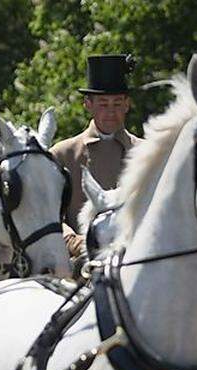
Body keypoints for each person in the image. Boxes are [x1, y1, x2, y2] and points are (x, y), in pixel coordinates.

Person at [51, 54, 142, 258]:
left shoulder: (146, 153)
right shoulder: (63, 154)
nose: (111, 111)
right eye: (103, 104)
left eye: (117, 103)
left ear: (127, 104)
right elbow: (47, 213)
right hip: (78, 265)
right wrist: (74, 242)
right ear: (88, 104)